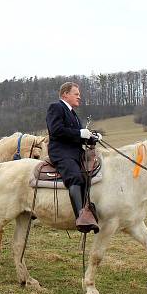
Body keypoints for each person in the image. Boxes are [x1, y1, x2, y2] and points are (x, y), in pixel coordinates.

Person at [46, 82, 101, 233]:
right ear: (65, 94)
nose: (79, 97)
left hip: (76, 152)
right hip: (61, 152)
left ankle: (88, 208)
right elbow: (56, 130)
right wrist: (79, 133)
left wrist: (92, 138)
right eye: (76, 94)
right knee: (75, 176)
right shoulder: (56, 107)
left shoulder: (73, 114)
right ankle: (82, 217)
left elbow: (77, 137)